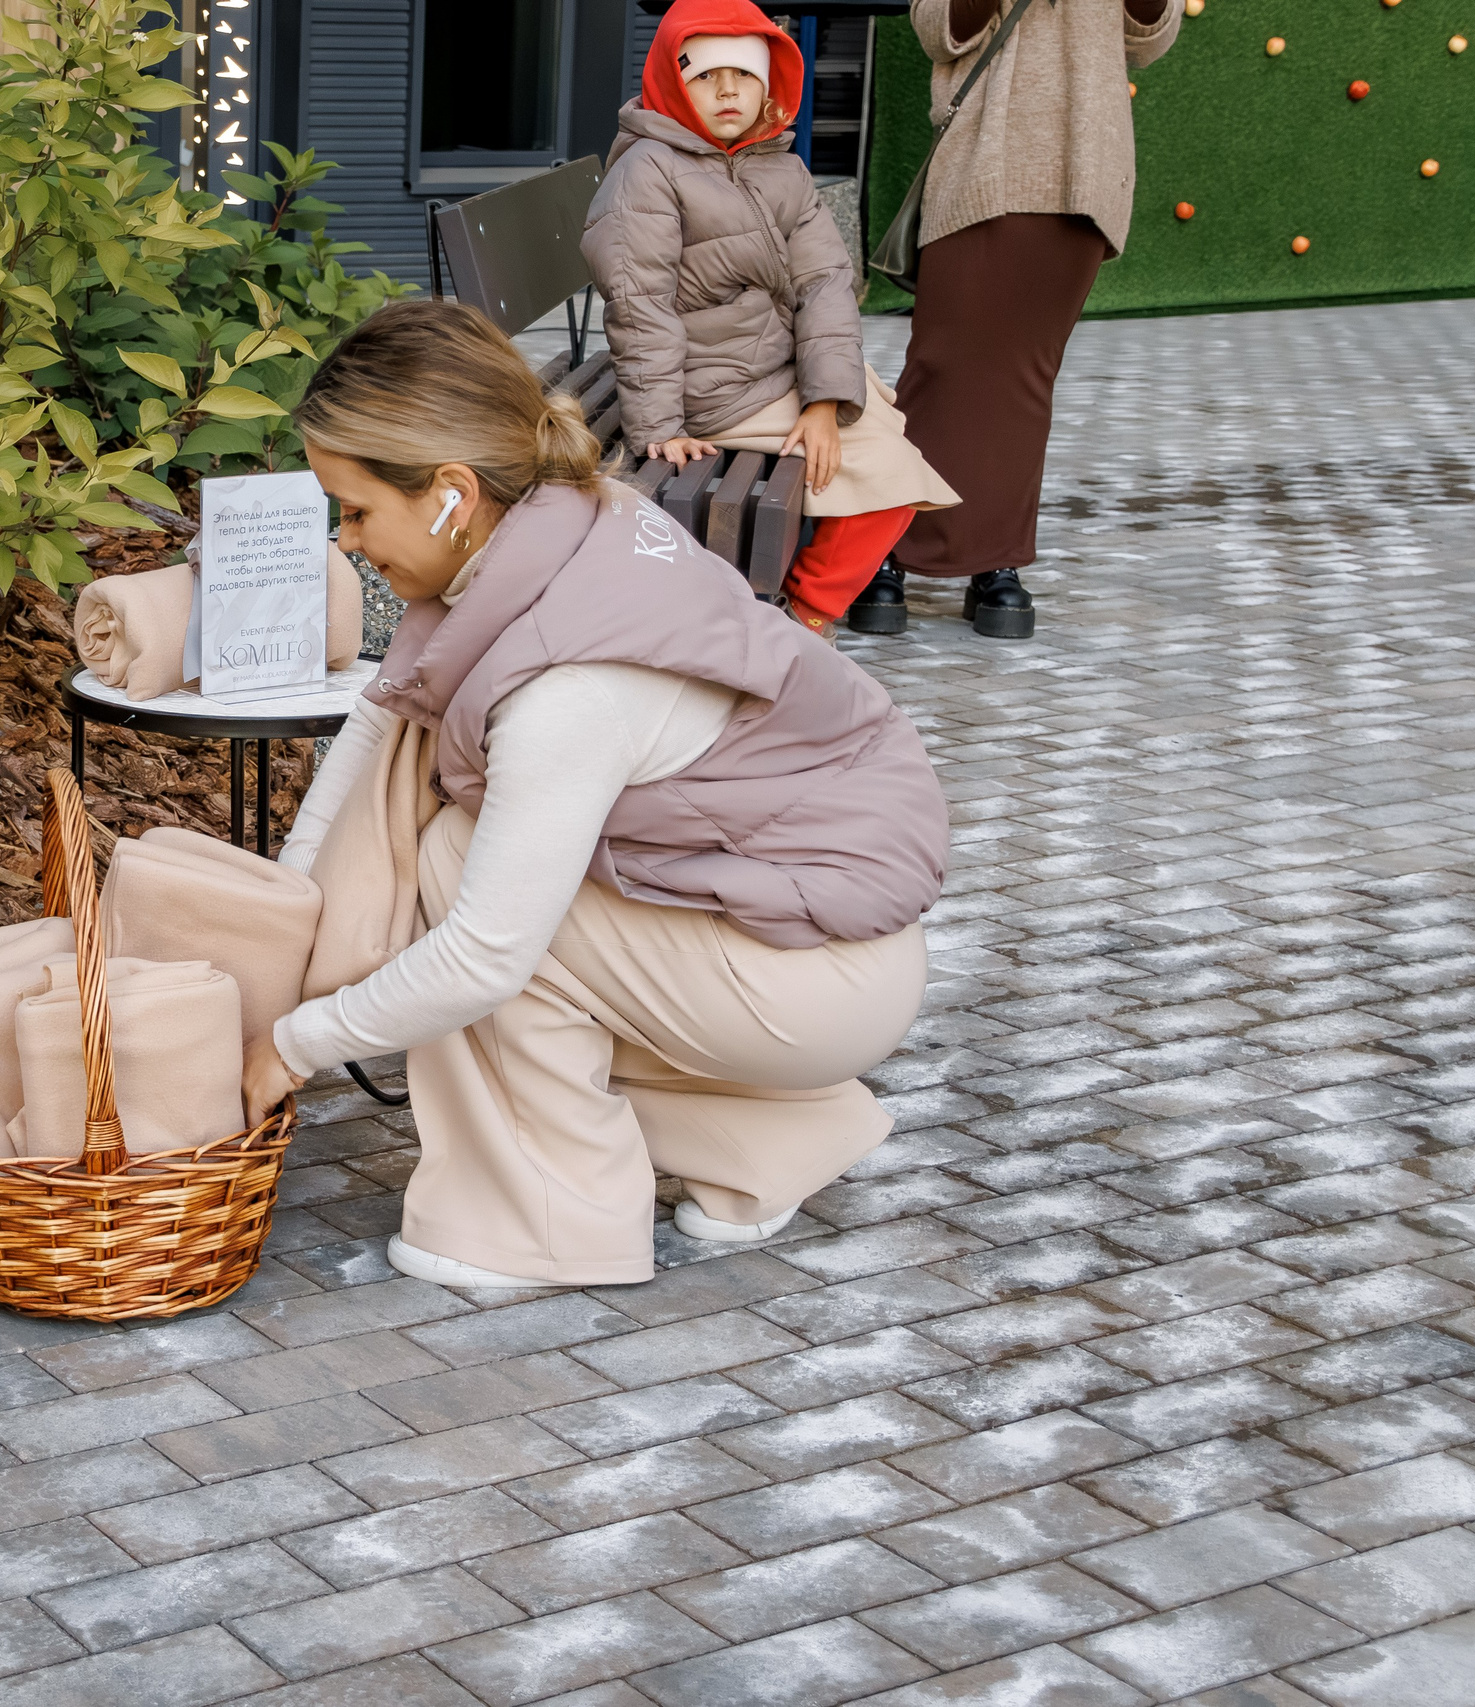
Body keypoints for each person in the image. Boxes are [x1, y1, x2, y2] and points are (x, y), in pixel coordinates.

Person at [236, 300, 947, 1288]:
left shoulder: (570, 686)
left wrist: (289, 1045)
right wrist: (275, 927)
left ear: (449, 493)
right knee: (493, 888)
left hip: (815, 977)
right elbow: (377, 725)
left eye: (355, 509)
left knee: (462, 878)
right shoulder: (564, 530)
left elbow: (485, 959)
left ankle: (547, 1224)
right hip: (803, 942)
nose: (346, 540)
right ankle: (773, 1145)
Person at [583, 0, 957, 639]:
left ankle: (797, 601)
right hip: (712, 389)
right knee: (897, 475)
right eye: (704, 75)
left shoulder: (777, 166)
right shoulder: (648, 172)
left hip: (763, 367)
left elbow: (826, 282)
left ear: (769, 86)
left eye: (745, 75)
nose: (728, 90)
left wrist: (824, 402)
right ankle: (806, 615)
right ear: (673, 81)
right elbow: (640, 307)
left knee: (872, 412)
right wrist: (661, 427)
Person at [858, 0, 1183, 639]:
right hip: (985, 163)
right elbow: (937, 30)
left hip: (1083, 176)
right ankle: (884, 546)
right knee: (941, 366)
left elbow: (1153, 35)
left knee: (1026, 381)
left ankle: (995, 561)